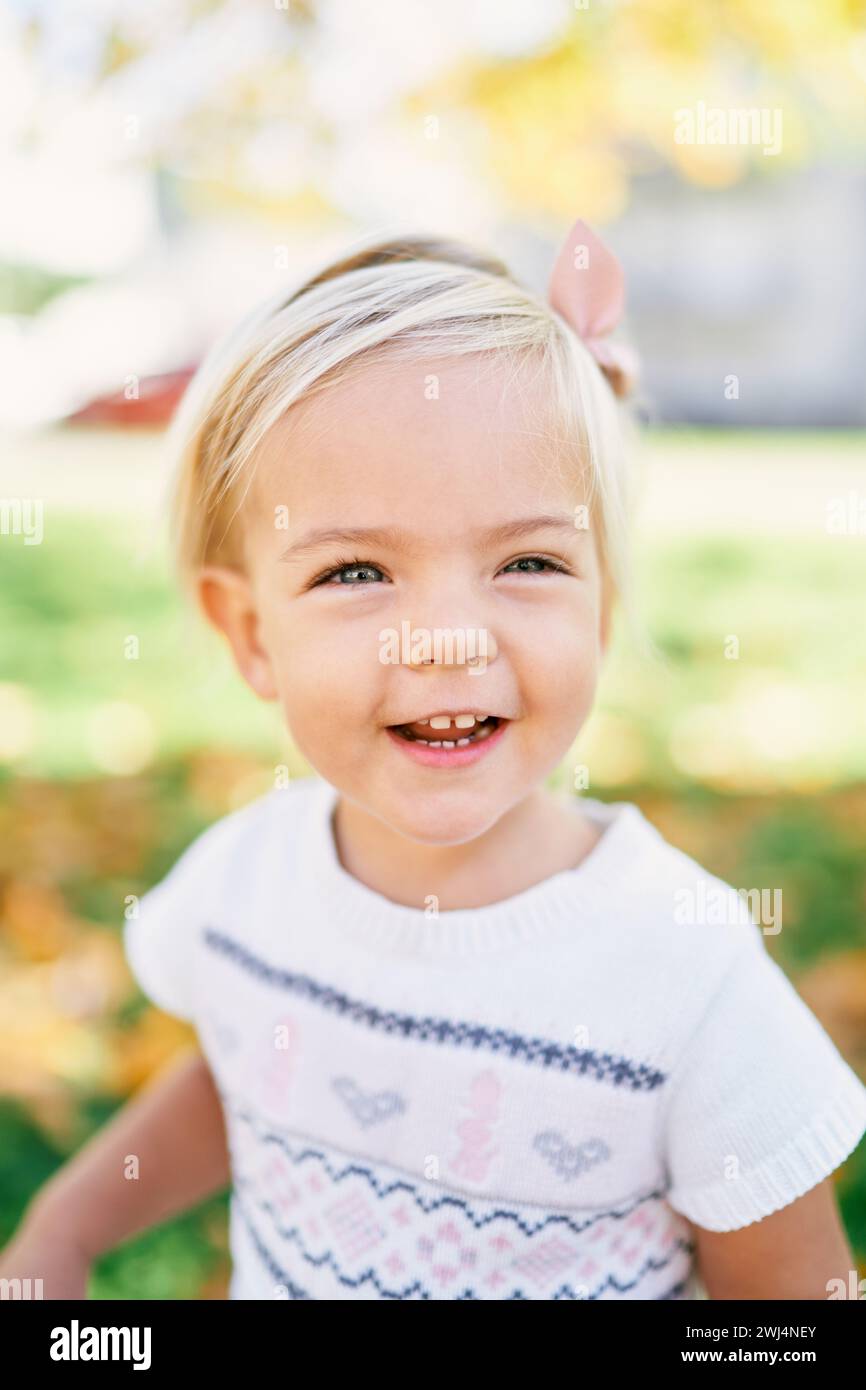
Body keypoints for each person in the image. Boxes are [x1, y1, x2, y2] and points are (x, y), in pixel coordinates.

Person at [3, 220, 865, 1301]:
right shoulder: (246, 884)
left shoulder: (684, 983)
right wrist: (63, 1228)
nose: (448, 639)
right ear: (251, 634)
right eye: (357, 571)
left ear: (600, 608)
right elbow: (252, 1072)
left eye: (528, 561)